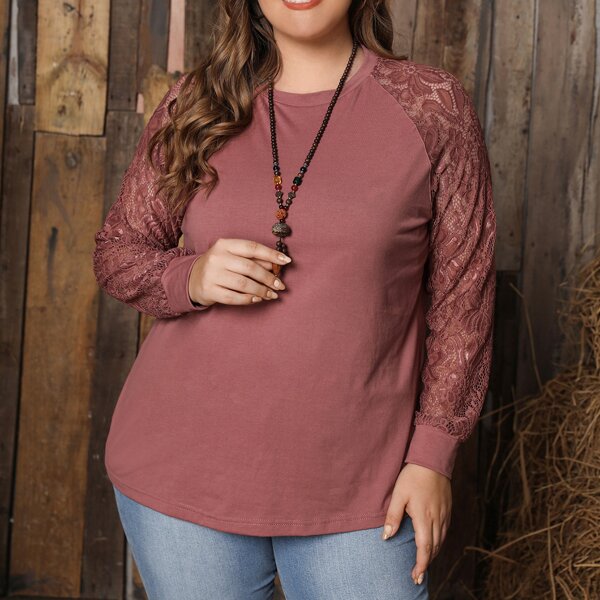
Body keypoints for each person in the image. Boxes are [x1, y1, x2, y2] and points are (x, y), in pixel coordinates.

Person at [92, 0, 496, 598]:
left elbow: (464, 300)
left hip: (366, 486)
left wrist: (432, 455)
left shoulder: (432, 107)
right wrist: (191, 278)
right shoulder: (200, 101)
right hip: (182, 473)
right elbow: (117, 251)